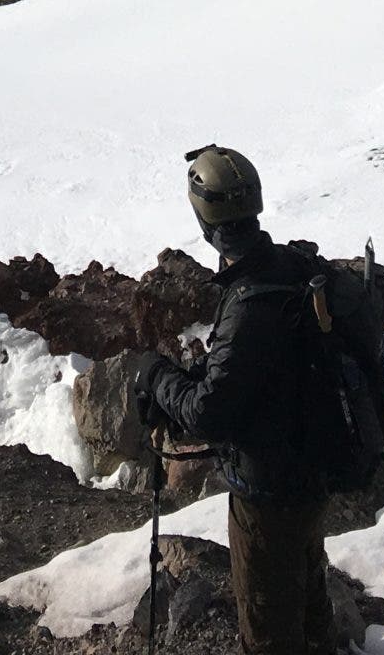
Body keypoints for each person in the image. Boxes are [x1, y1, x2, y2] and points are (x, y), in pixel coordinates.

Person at [134, 145, 338, 655]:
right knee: (310, 602)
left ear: (204, 218)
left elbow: (209, 412)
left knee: (269, 628)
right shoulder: (295, 268)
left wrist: (157, 379)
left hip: (269, 490)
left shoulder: (249, 300)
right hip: (315, 470)